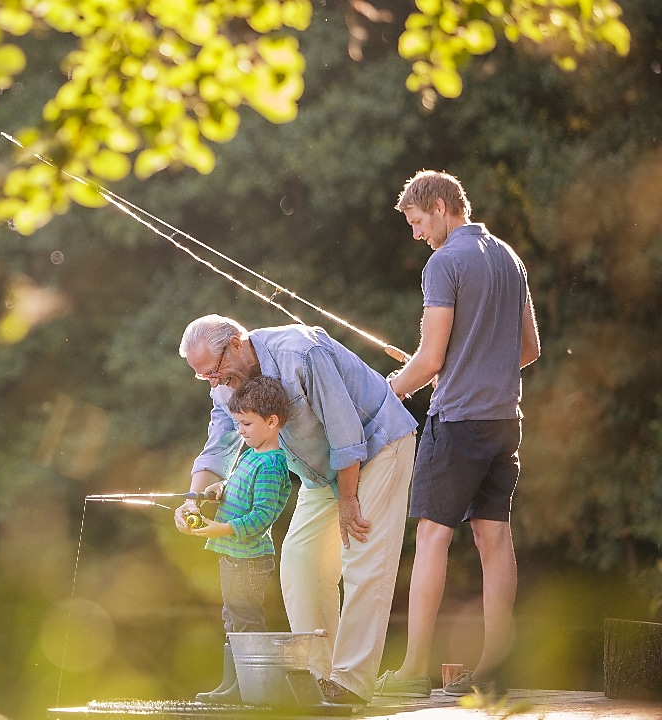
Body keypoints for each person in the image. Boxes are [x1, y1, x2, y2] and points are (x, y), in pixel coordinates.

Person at [175, 316, 418, 705]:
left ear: (237, 343)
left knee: (362, 557)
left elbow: (345, 430)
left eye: (215, 370)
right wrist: (192, 498)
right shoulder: (224, 385)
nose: (214, 382)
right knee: (300, 559)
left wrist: (348, 499)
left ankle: (351, 681)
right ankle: (318, 676)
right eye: (204, 377)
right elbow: (220, 440)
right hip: (319, 469)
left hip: (376, 444)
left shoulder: (300, 352)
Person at [375, 170, 541, 698]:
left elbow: (428, 360)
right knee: (495, 537)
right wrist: (473, 365)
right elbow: (529, 349)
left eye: (419, 222)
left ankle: (413, 670)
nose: (417, 234)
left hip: (458, 422)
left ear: (443, 206)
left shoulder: (444, 263)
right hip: (504, 421)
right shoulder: (510, 258)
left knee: (431, 537)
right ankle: (495, 667)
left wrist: (389, 391)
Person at [187, 376, 294, 704]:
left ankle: (255, 689)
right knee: (233, 618)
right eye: (238, 423)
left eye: (246, 423)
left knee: (247, 620)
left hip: (249, 559)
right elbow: (237, 486)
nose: (242, 431)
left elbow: (261, 517)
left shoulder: (273, 465)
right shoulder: (251, 454)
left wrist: (220, 529)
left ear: (272, 422)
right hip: (233, 557)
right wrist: (219, 489)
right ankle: (232, 686)